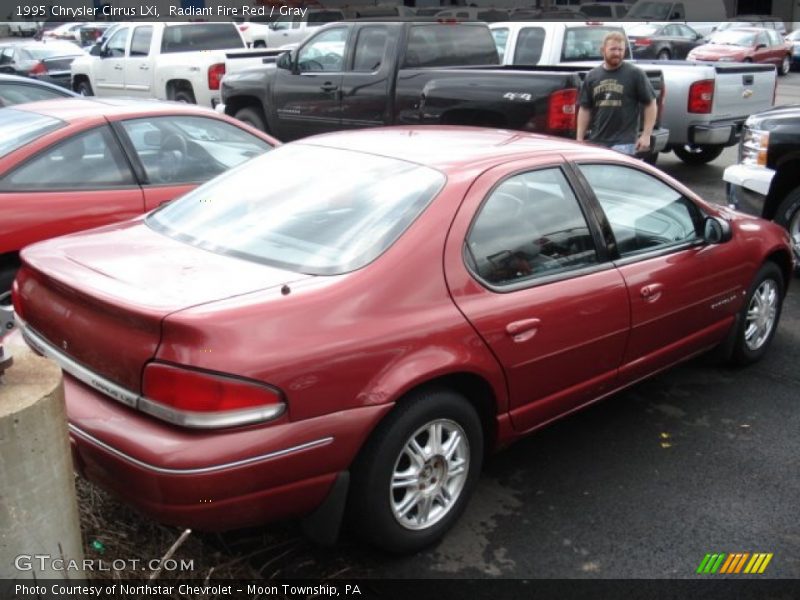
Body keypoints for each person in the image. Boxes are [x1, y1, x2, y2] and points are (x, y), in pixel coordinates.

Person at [576, 31, 657, 156]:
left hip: (625, 143)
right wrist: (579, 139)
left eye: (621, 50)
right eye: (613, 49)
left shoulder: (635, 73)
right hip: (596, 142)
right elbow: (585, 108)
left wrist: (646, 135)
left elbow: (650, 104)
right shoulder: (592, 76)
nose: (617, 53)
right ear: (603, 50)